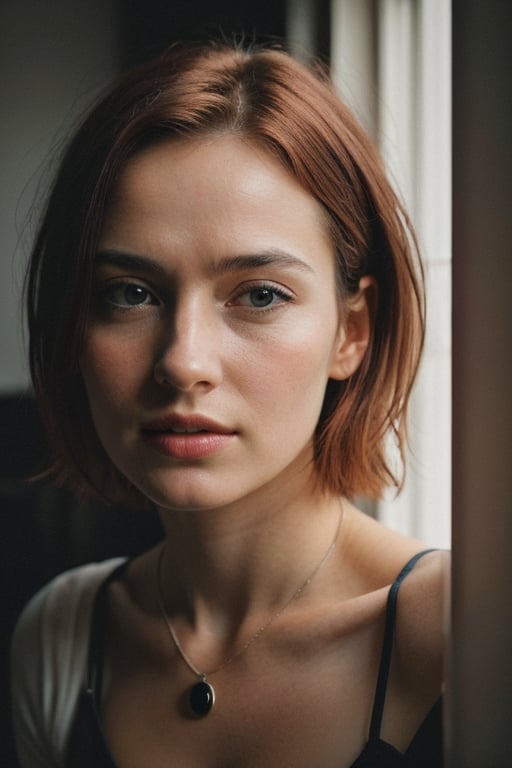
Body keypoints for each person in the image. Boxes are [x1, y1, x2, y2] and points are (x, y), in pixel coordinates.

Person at [11, 40, 448, 767]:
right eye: (130, 293)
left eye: (259, 295)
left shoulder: (459, 633)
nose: (183, 361)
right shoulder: (60, 639)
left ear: (353, 332)